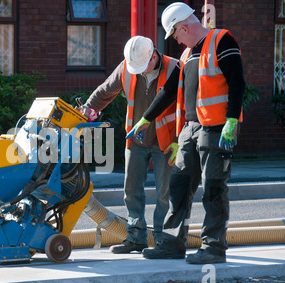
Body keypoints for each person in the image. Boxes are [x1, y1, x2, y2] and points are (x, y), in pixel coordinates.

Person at [128, 2, 245, 264]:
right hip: (190, 130)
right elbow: (169, 91)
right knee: (179, 186)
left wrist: (231, 121)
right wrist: (146, 119)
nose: (177, 41)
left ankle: (214, 247)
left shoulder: (221, 41)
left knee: (213, 188)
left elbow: (238, 83)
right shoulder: (187, 55)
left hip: (217, 129)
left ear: (183, 27)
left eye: (176, 35)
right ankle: (172, 243)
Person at [77, 35, 180, 253]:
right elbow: (105, 91)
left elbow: (187, 107)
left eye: (144, 67)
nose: (140, 71)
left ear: (154, 55)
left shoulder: (174, 68)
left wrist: (179, 140)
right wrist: (87, 109)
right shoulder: (127, 66)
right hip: (136, 140)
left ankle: (164, 242)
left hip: (167, 141)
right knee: (131, 190)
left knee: (165, 193)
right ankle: (136, 238)